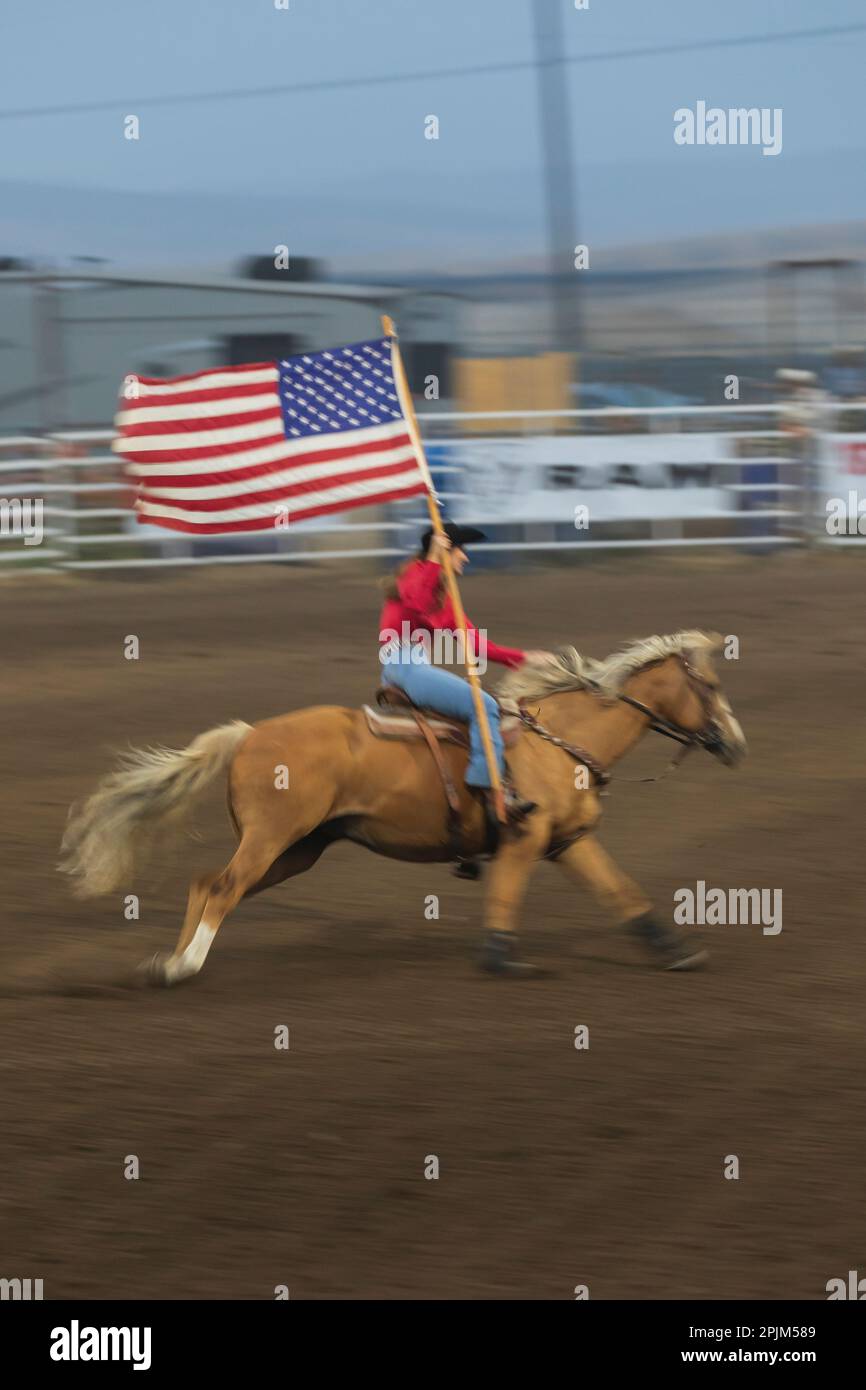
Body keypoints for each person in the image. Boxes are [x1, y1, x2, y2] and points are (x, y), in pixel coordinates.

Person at [378, 522, 545, 823]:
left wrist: (523, 658)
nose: (465, 558)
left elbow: (477, 644)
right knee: (485, 706)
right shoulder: (414, 574)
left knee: (469, 713)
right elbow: (416, 602)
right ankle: (493, 792)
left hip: (413, 666)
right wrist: (432, 557)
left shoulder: (445, 596)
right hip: (405, 666)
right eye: (460, 551)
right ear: (445, 551)